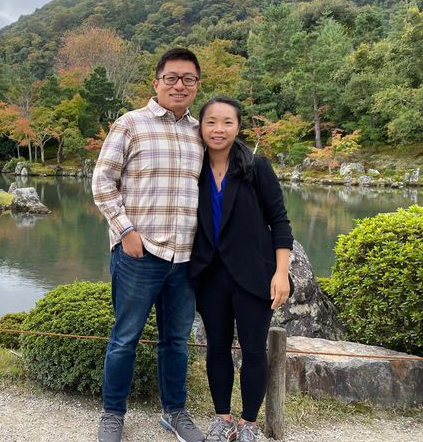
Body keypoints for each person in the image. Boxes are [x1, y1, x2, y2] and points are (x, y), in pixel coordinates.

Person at [91, 48, 205, 442]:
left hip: (186, 256)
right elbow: (102, 182)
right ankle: (112, 413)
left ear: (196, 86)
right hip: (140, 252)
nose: (179, 85)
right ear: (156, 83)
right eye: (171, 77)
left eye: (188, 79)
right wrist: (126, 232)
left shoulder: (201, 131)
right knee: (125, 337)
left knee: (176, 340)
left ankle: (175, 412)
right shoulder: (130, 124)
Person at [190, 96, 294, 442]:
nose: (218, 129)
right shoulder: (192, 166)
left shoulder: (255, 166)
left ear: (238, 126)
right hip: (210, 274)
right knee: (216, 349)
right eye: (211, 122)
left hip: (254, 274)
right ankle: (222, 419)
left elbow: (279, 221)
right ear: (200, 126)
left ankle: (248, 424)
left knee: (253, 351)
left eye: (227, 122)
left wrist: (281, 273)